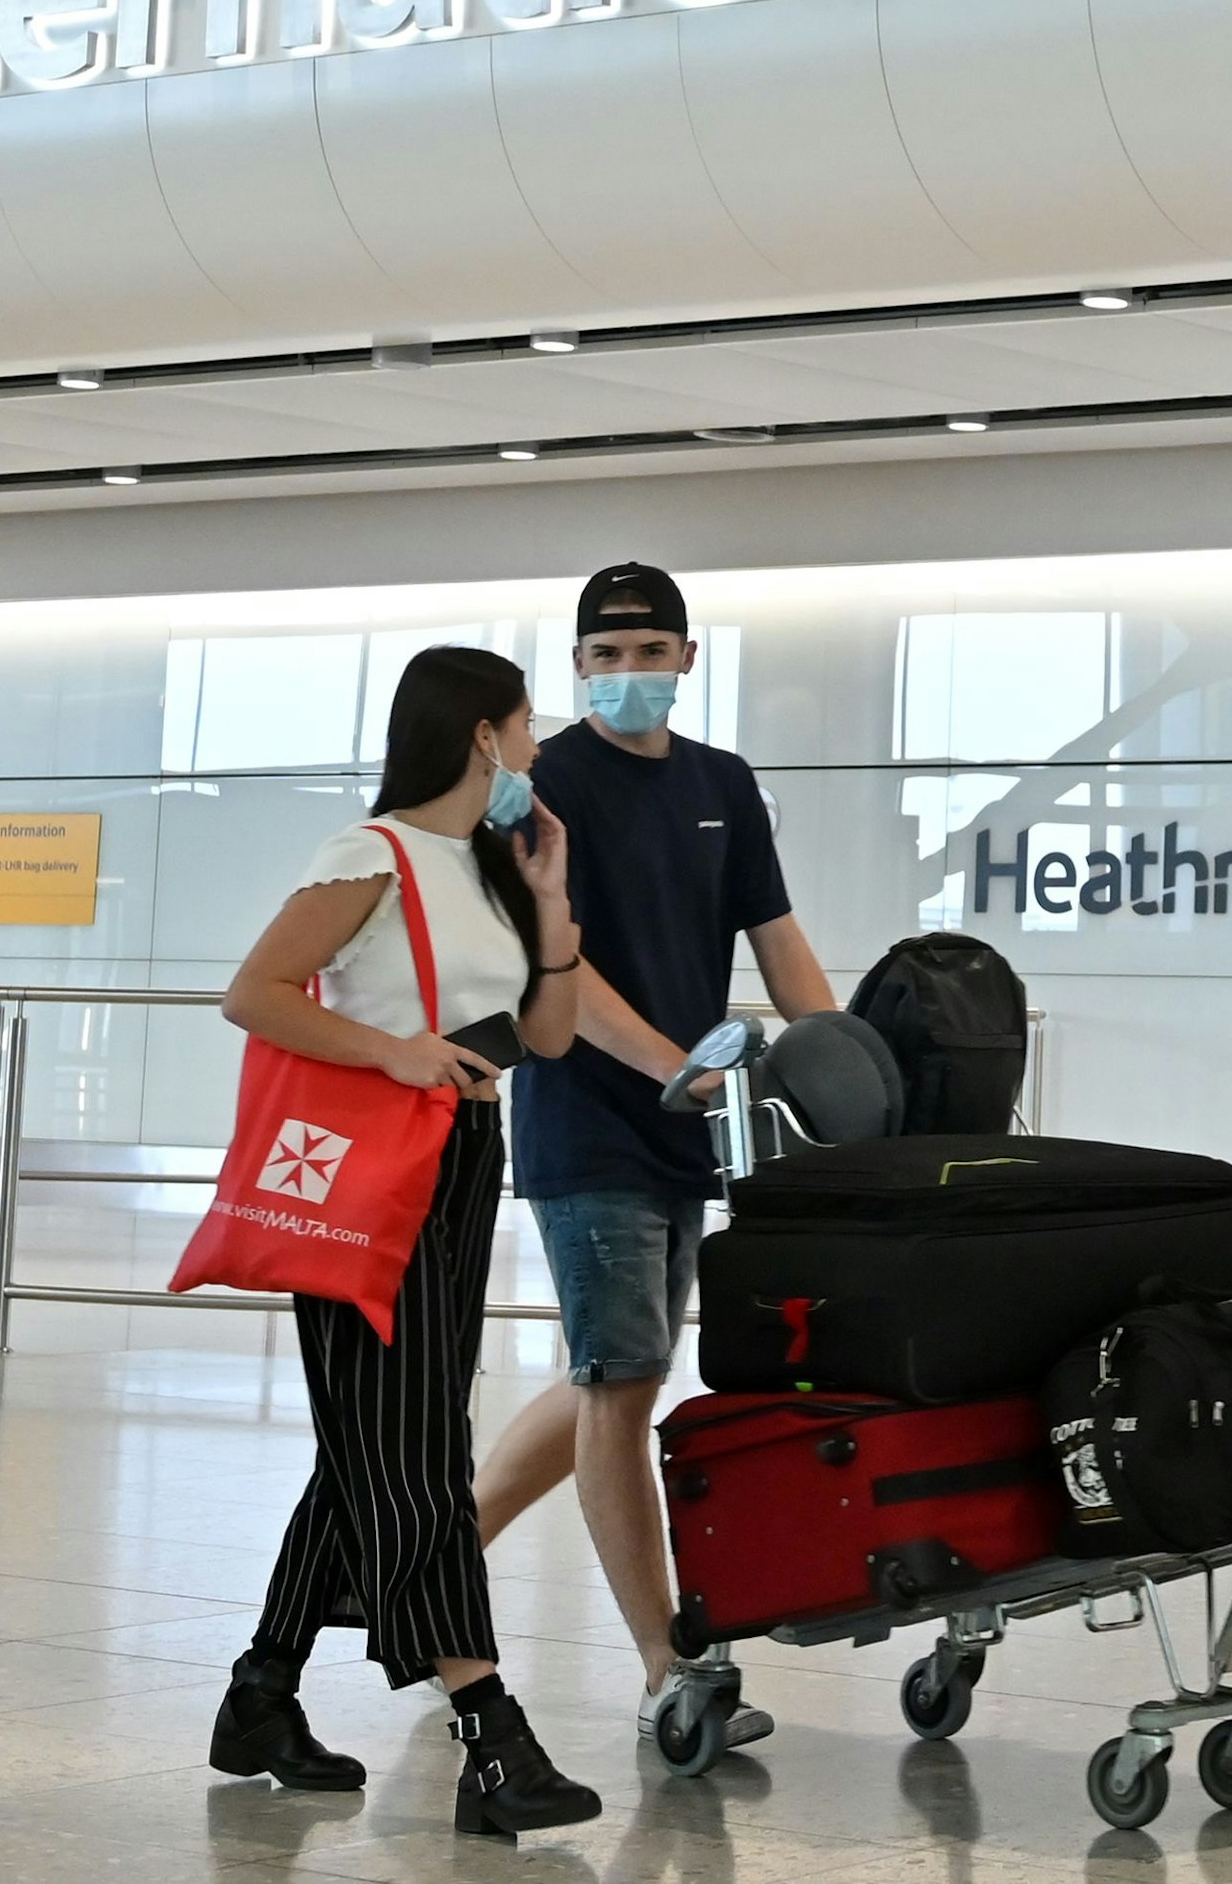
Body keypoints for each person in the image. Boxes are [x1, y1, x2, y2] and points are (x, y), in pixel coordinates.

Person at [212, 645, 600, 1836]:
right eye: (528, 725)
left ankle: (262, 1694)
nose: (540, 746)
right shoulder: (366, 855)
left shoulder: (487, 865)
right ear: (483, 733)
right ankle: (491, 1733)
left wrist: (548, 899)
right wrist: (393, 1050)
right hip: (369, 1169)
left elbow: (551, 1031)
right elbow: (255, 989)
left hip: (463, 1159)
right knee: (416, 1454)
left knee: (377, 1438)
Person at [475, 560, 834, 1757]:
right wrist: (679, 1066)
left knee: (606, 1370)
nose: (629, 673)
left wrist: (844, 1065)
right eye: (606, 655)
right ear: (577, 666)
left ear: (686, 659)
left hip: (696, 1123)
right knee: (623, 1385)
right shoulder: (540, 789)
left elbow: (777, 943)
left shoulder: (724, 784)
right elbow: (553, 974)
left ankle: (420, 1572)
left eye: (651, 652)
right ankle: (666, 1666)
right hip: (590, 1125)